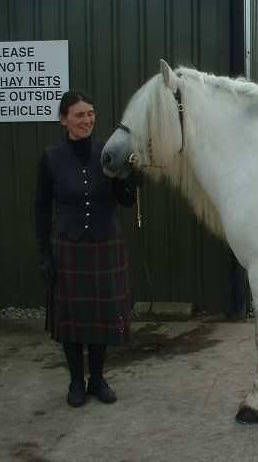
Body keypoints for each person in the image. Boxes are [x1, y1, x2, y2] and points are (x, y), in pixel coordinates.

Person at [35, 91, 140, 407]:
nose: (87, 120)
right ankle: (75, 382)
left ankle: (97, 379)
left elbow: (125, 201)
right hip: (67, 245)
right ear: (64, 119)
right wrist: (44, 254)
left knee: (100, 317)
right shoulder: (51, 157)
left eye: (91, 114)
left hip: (104, 242)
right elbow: (41, 207)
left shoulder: (107, 152)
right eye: (80, 115)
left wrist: (130, 178)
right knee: (71, 318)